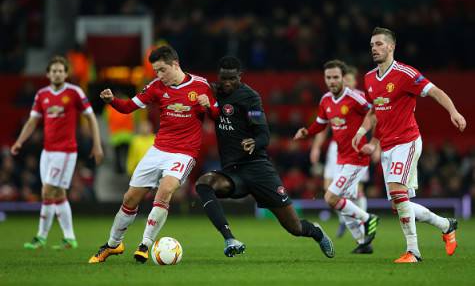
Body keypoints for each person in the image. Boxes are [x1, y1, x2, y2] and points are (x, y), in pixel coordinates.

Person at [88, 45, 219, 264]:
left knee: (165, 189)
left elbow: (216, 115)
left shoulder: (201, 85)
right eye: (156, 71)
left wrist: (209, 107)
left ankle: (145, 244)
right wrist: (112, 101)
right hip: (158, 150)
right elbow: (129, 107)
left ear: (175, 64)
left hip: (184, 153)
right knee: (130, 198)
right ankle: (113, 244)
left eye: (162, 70)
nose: (159, 76)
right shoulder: (156, 87)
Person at [194, 56, 335, 258]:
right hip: (233, 172)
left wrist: (254, 142)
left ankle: (316, 232)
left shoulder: (250, 98)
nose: (227, 83)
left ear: (240, 76)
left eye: (232, 78)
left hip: (258, 169)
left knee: (294, 227)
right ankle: (229, 238)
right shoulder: (214, 93)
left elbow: (264, 135)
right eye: (223, 78)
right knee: (204, 183)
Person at [352, 27, 466, 263]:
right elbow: (376, 111)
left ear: (391, 46)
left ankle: (413, 252)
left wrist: (453, 111)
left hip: (407, 141)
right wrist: (365, 134)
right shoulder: (370, 78)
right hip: (387, 145)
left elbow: (435, 91)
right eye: (372, 44)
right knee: (399, 204)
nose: (374, 48)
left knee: (397, 193)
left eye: (379, 44)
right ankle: (446, 225)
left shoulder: (405, 73)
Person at [11, 56, 103, 250]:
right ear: (48, 74)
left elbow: (91, 117)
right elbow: (32, 122)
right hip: (48, 151)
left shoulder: (74, 92)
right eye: (54, 71)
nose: (57, 73)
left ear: (66, 73)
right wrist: (20, 141)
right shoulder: (41, 94)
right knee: (58, 193)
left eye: (61, 70)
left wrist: (97, 144)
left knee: (47, 191)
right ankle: (69, 238)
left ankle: (40, 237)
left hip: (66, 151)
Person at [294, 60, 379, 254]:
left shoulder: (356, 98)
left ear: (343, 78)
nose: (332, 81)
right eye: (328, 77)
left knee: (331, 197)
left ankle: (368, 219)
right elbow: (320, 123)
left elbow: (376, 114)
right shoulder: (325, 100)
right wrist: (307, 132)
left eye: (336, 77)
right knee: (342, 203)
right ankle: (363, 242)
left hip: (357, 158)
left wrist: (375, 143)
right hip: (341, 158)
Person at [310, 65, 369, 238]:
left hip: (356, 147)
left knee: (355, 191)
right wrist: (315, 147)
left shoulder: (359, 98)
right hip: (336, 148)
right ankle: (351, 222)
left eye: (348, 80)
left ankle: (362, 226)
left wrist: (375, 144)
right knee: (329, 189)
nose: (345, 83)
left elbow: (374, 117)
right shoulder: (329, 100)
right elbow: (323, 126)